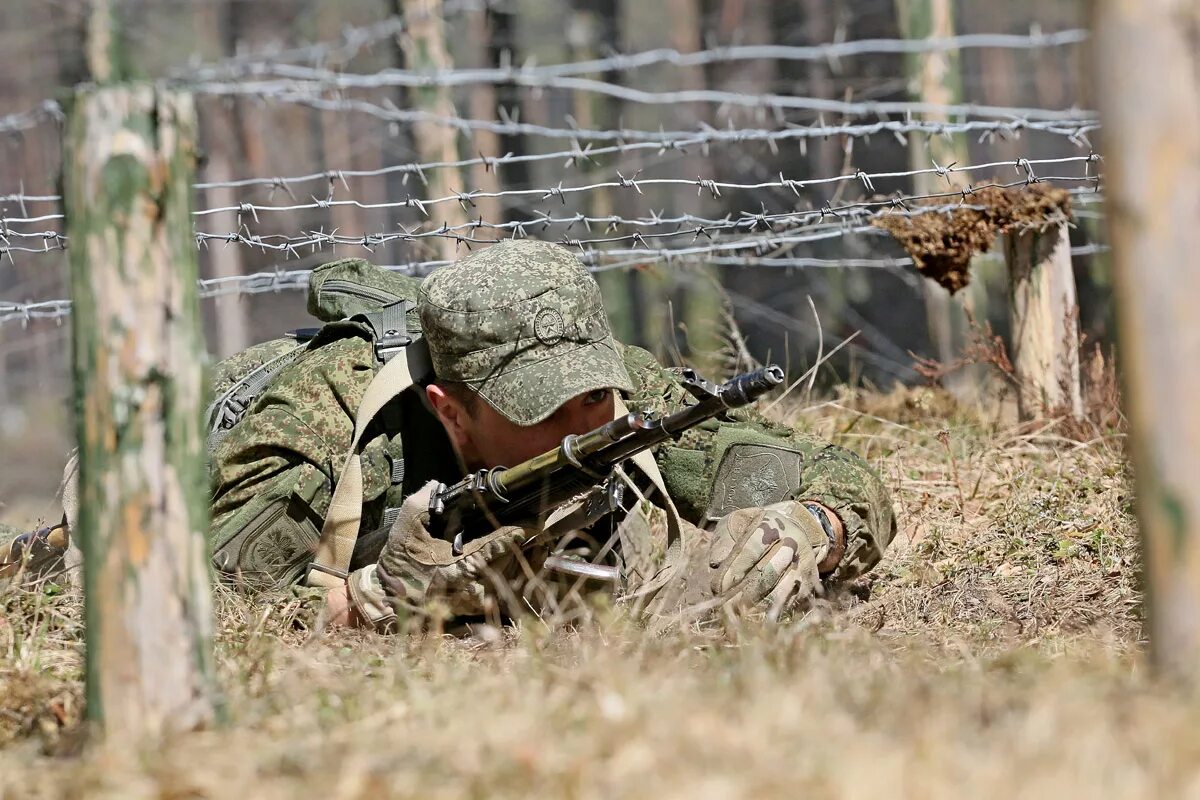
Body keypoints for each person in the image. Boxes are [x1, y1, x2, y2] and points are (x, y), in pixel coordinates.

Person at [208, 238, 895, 632]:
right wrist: (369, 602)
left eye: (591, 394)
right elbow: (214, 611)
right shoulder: (321, 426)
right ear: (451, 412)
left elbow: (839, 478)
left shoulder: (625, 401)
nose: (584, 427)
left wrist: (810, 528)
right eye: (541, 409)